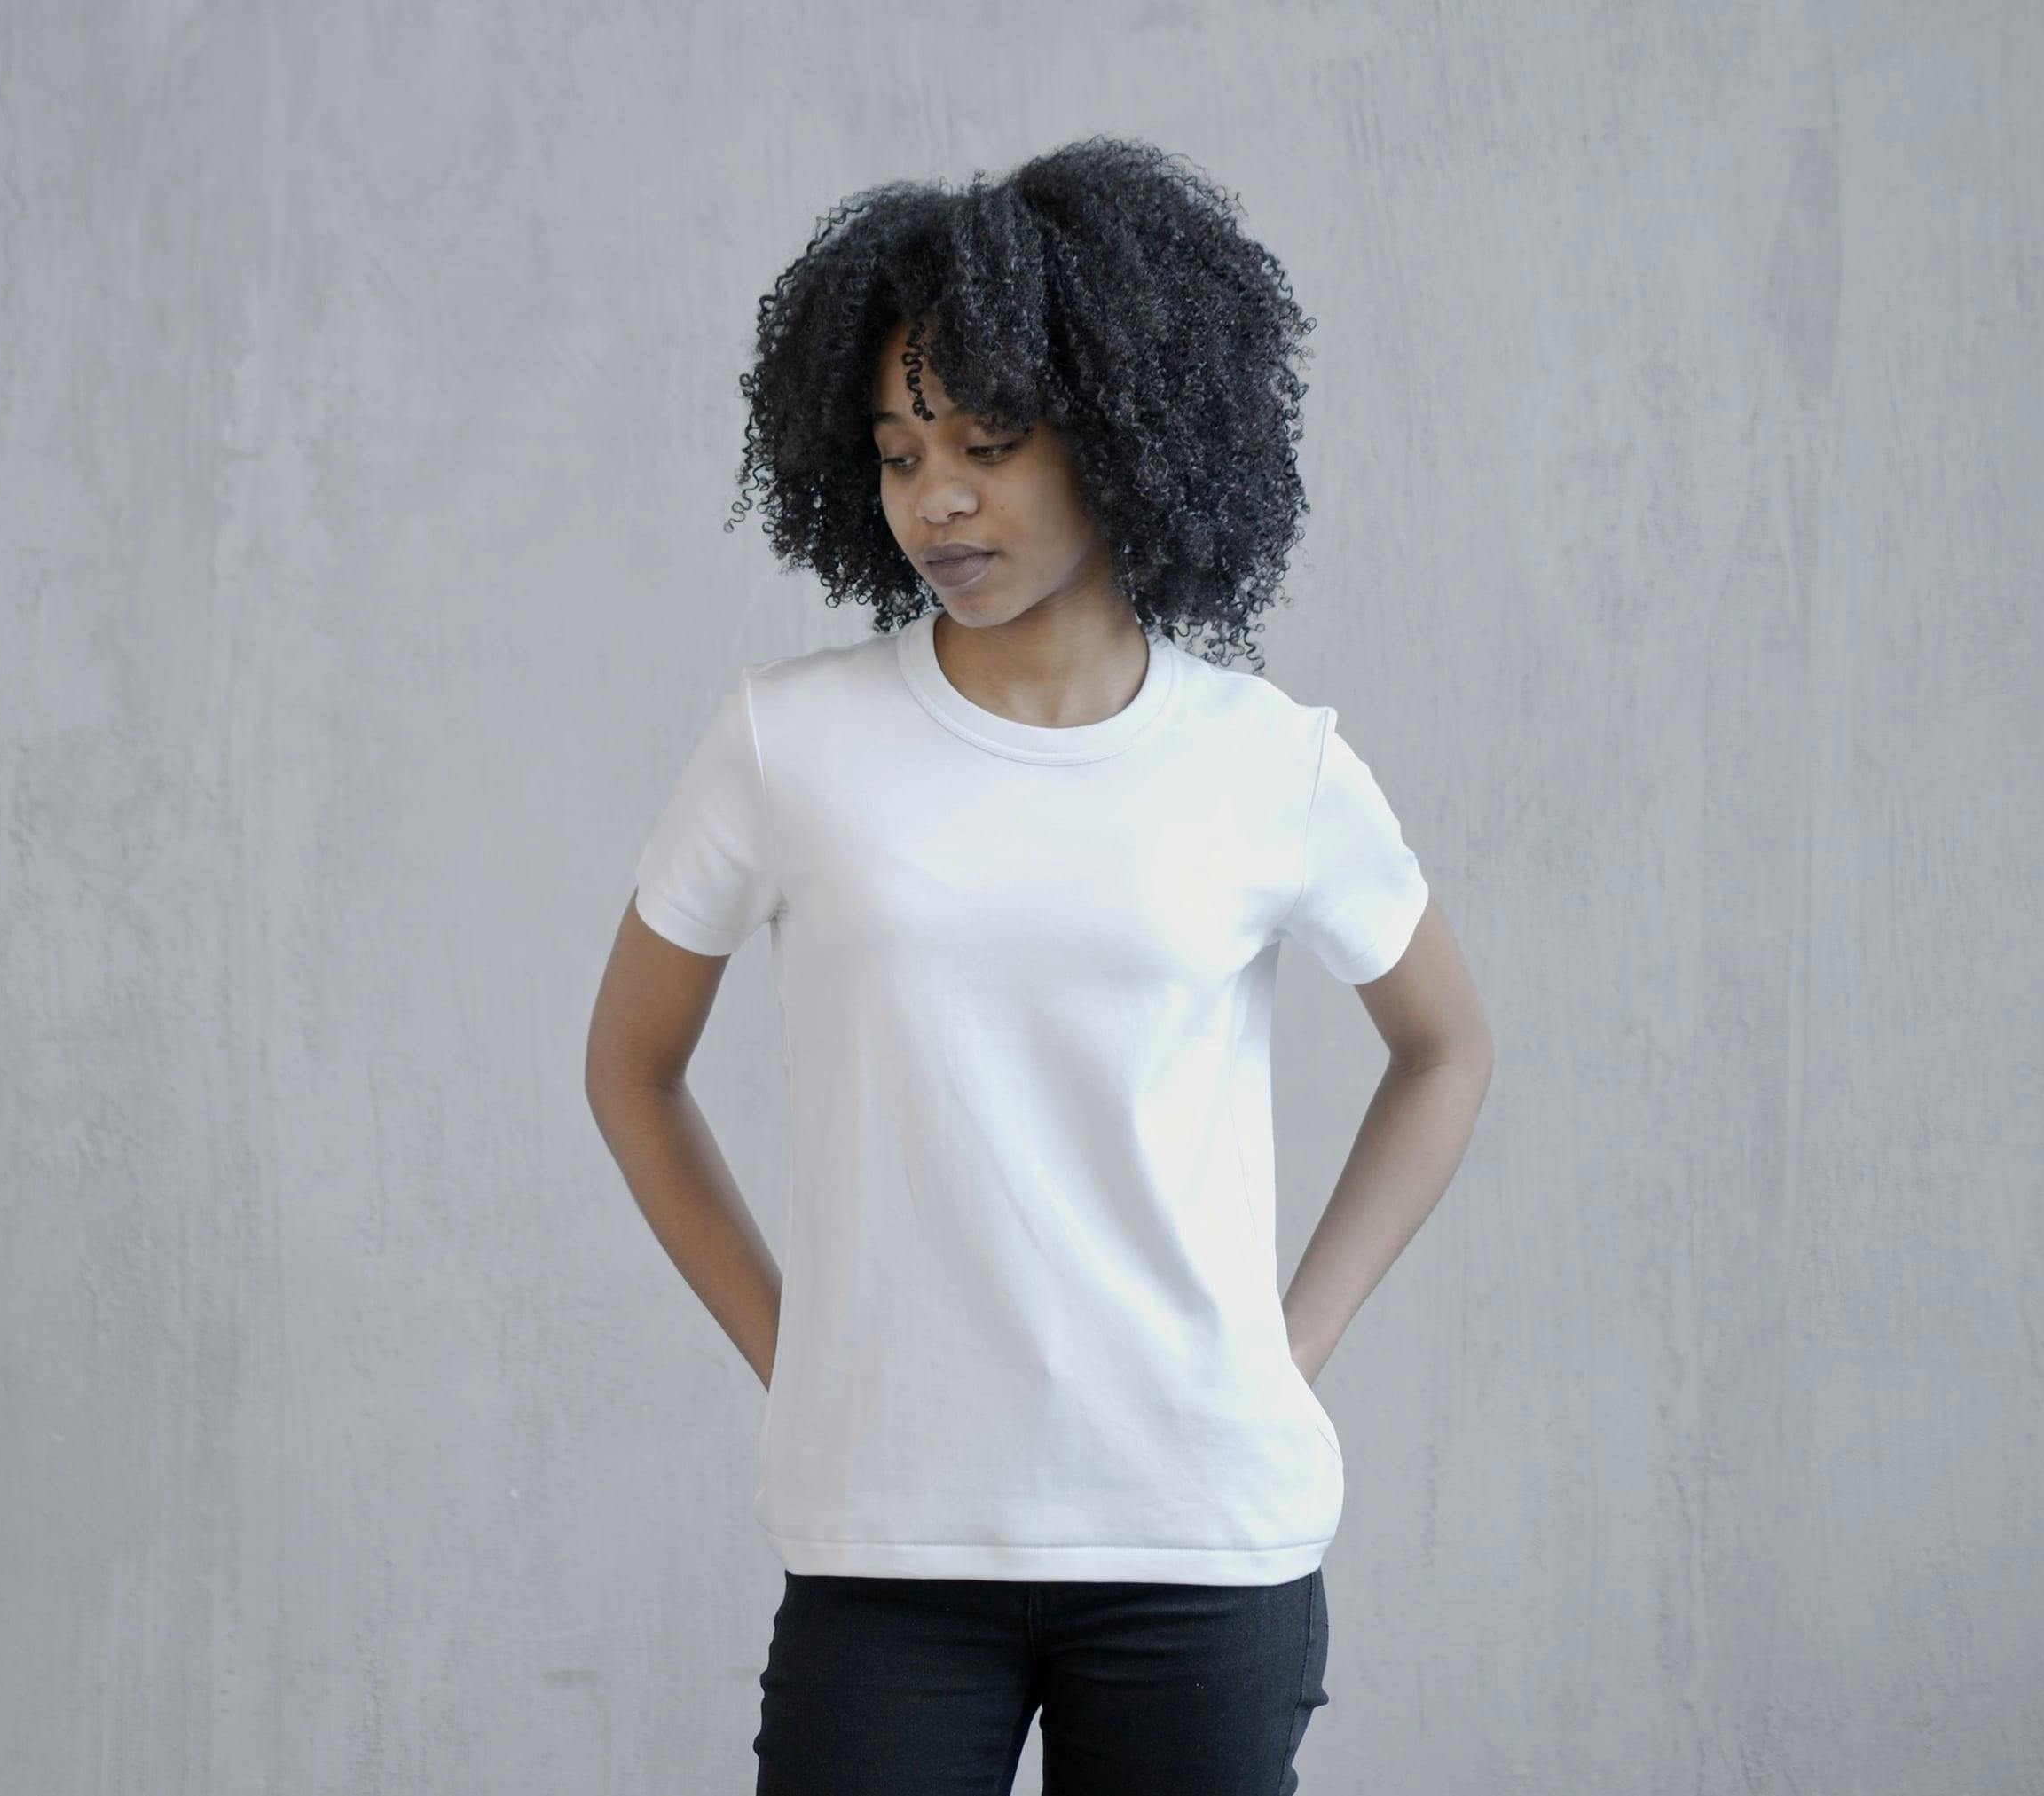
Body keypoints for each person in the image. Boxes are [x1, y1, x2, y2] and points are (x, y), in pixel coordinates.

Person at [582, 137, 1495, 1794]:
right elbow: (629, 1068)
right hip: (889, 1540)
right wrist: (802, 1351)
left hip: (1199, 1536)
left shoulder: (1269, 763)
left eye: (988, 445)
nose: (935, 497)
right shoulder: (789, 743)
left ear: (1124, 430)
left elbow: (1446, 1049)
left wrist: (1287, 1347)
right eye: (898, 451)